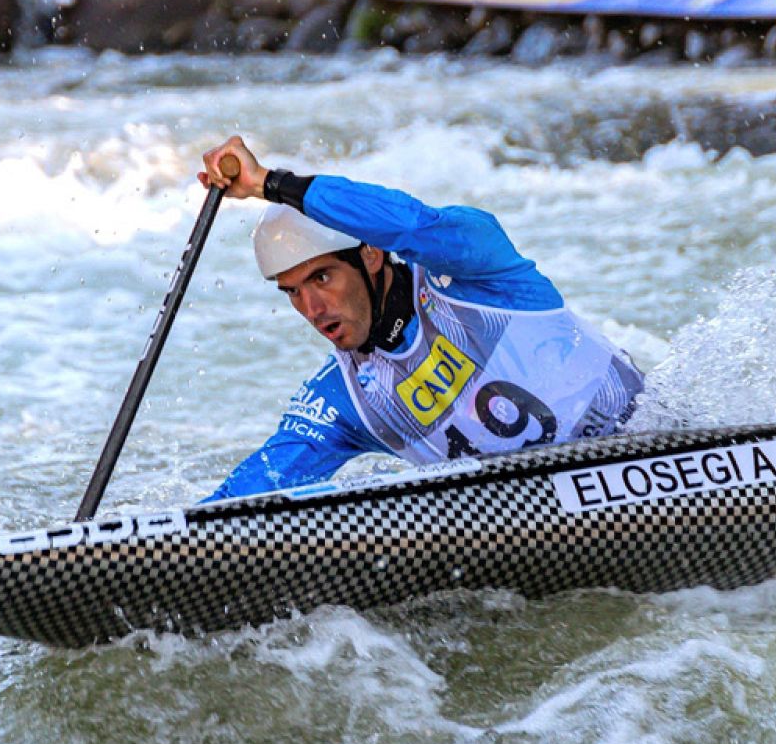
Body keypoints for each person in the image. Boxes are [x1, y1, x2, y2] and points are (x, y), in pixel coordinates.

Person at [199, 136, 644, 501]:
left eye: (322, 277)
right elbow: (256, 490)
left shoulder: (479, 276)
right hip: (538, 522)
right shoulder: (346, 398)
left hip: (650, 454)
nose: (312, 309)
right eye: (293, 292)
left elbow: (412, 224)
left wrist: (270, 184)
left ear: (370, 253)